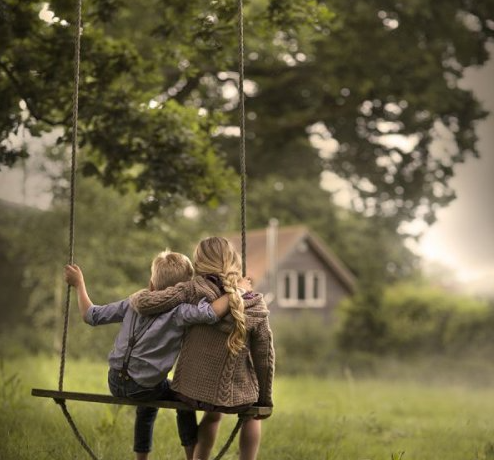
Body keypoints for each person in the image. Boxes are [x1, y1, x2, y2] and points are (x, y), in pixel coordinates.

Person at [64, 250, 251, 460]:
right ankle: (192, 457)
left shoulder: (133, 303)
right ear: (183, 290)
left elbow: (91, 315)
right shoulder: (179, 312)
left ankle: (141, 458)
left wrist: (79, 283)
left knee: (148, 405)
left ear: (151, 283)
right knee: (183, 398)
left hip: (115, 381)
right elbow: (210, 313)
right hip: (143, 387)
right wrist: (237, 291)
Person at [129, 237, 275, 460]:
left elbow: (145, 303)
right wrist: (264, 399)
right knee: (251, 415)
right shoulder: (254, 302)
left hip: (190, 392)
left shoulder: (190, 290)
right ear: (233, 260)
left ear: (199, 262)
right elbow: (264, 356)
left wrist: (139, 294)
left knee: (213, 414)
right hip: (235, 396)